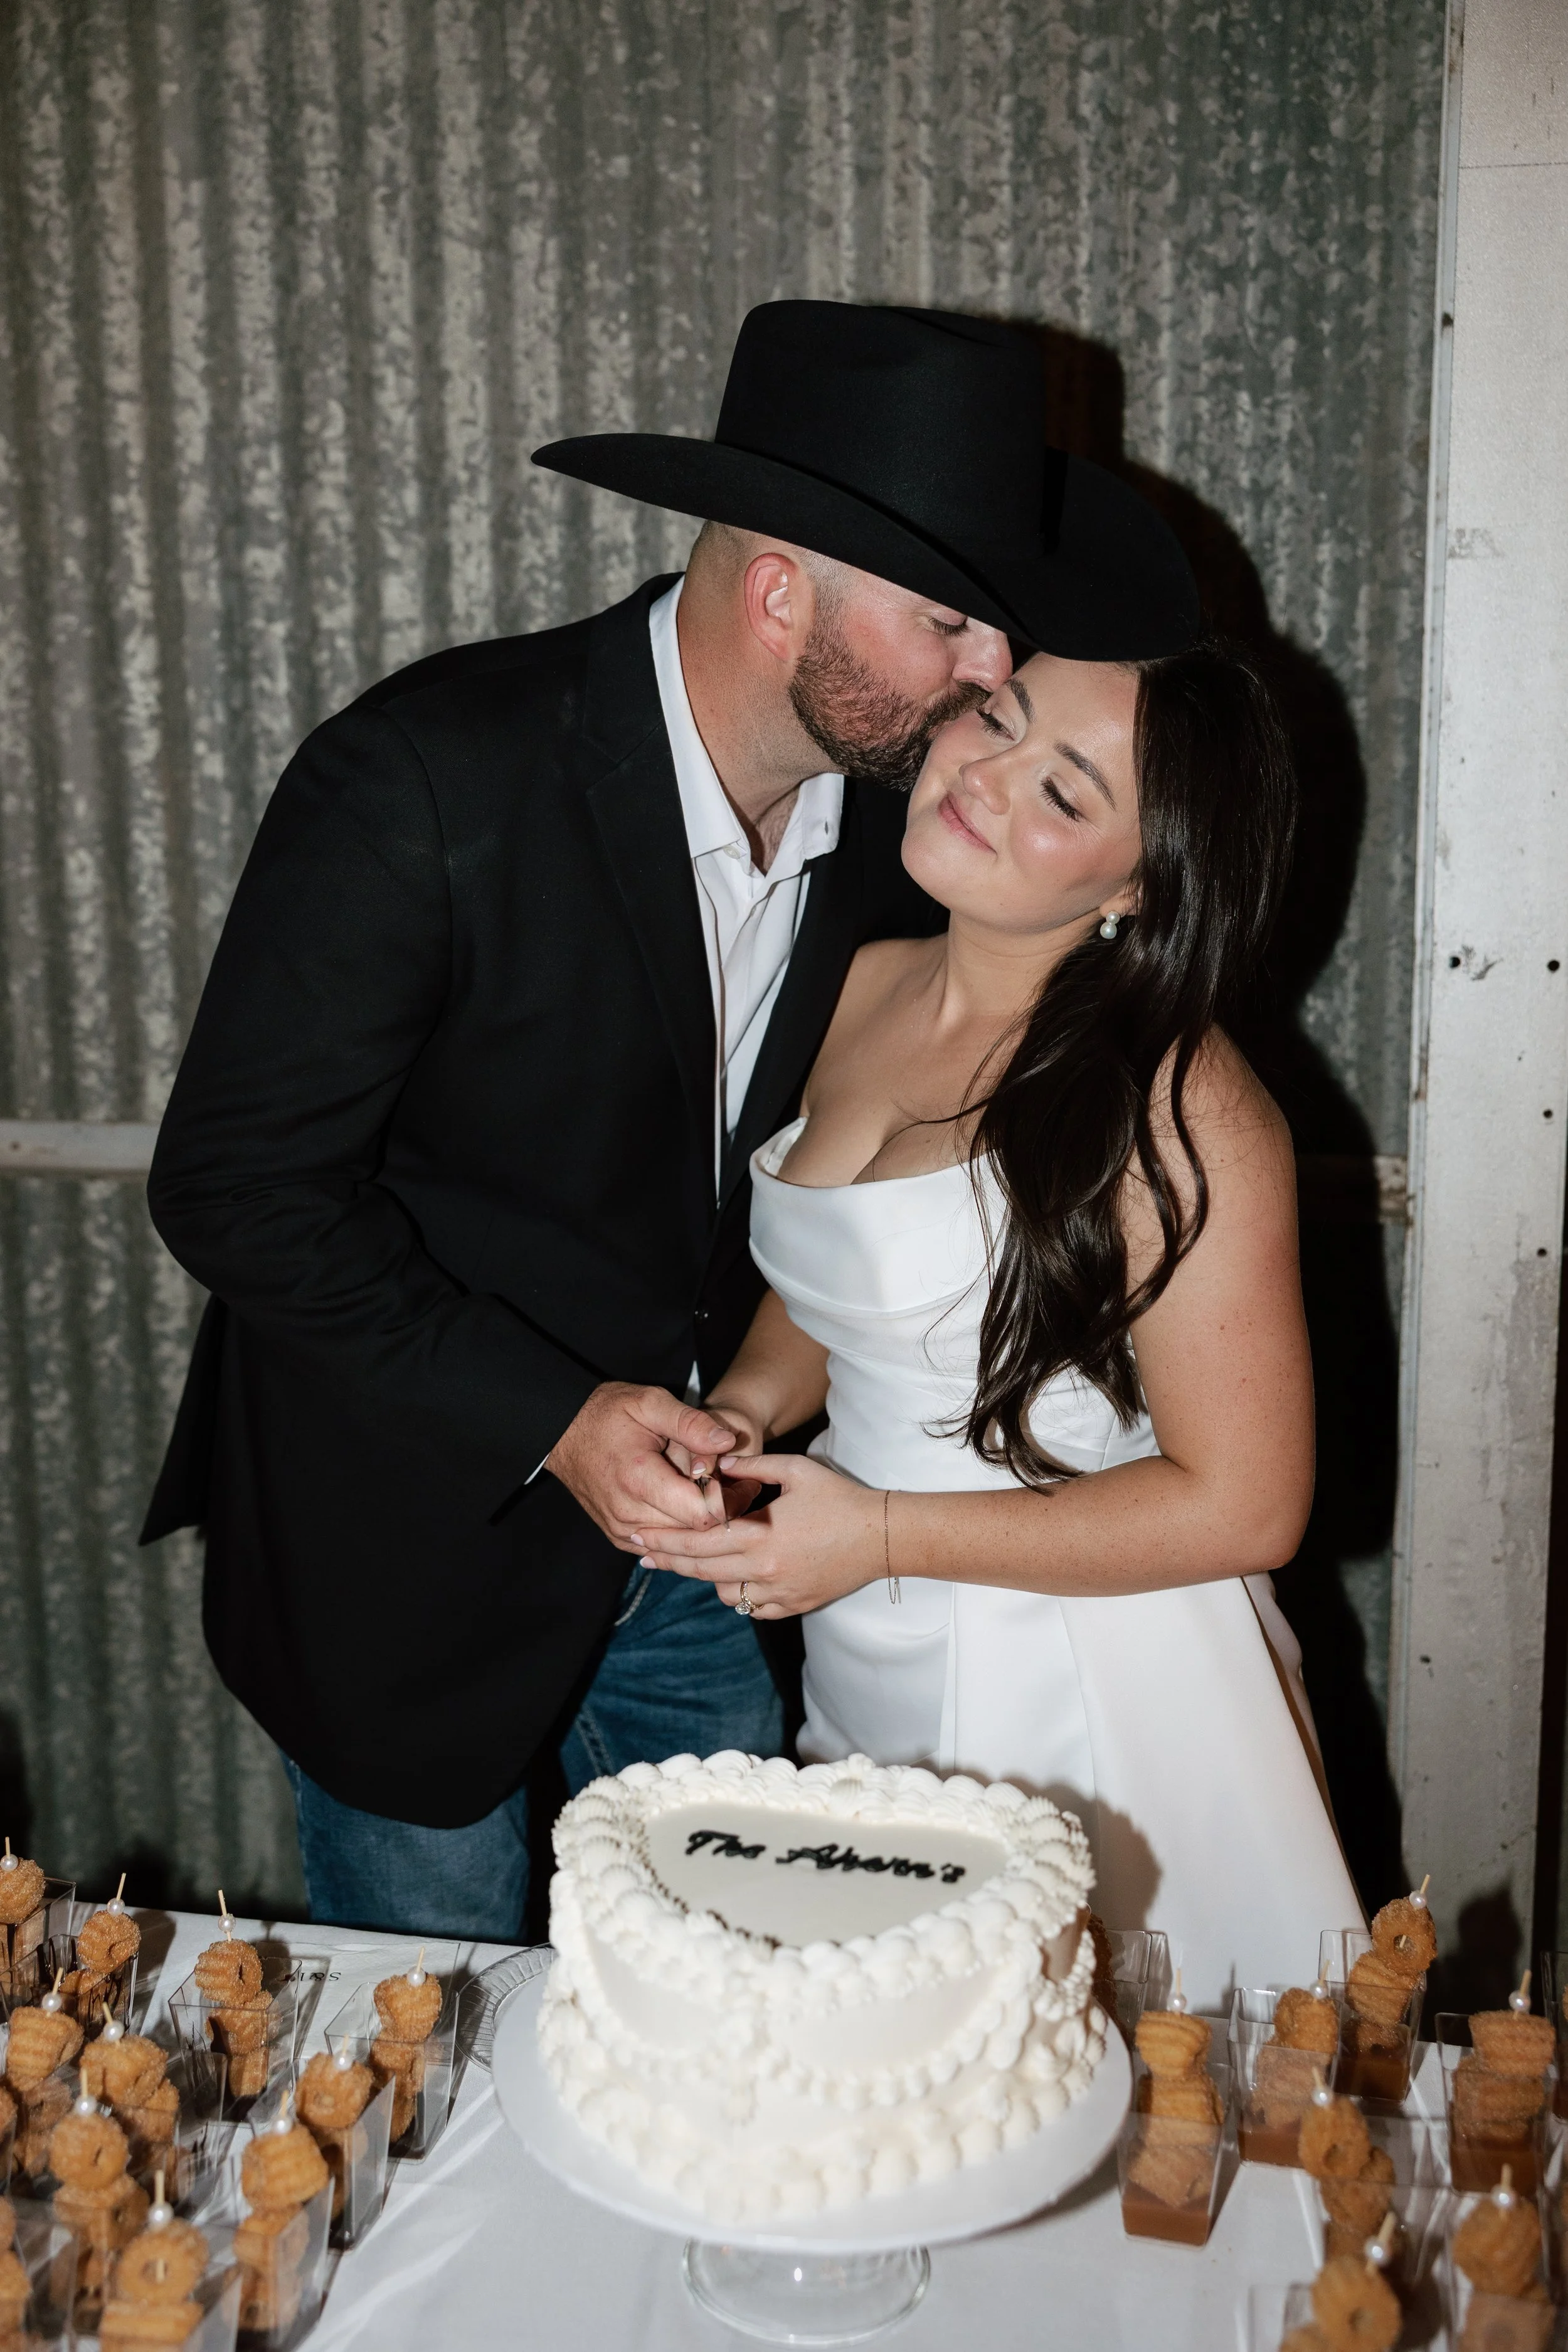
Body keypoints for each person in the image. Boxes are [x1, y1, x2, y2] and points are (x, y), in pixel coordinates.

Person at [140, 299, 1199, 1939]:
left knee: (737, 1985)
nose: (994, 669)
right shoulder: (427, 776)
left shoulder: (908, 830)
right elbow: (235, 1186)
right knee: (448, 2025)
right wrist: (555, 1416)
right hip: (408, 1552)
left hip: (712, 1547)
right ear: (780, 599)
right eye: (948, 623)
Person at [633, 635, 1366, 2005]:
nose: (984, 775)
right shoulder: (862, 980)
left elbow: (1249, 1505)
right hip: (863, 1632)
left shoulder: (1179, 1100)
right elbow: (844, 1286)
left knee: (1094, 2077)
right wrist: (740, 1408)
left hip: (1093, 1678)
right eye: (998, 718)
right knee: (897, 2059)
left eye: (1063, 791)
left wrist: (881, 1535)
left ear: (1141, 881)